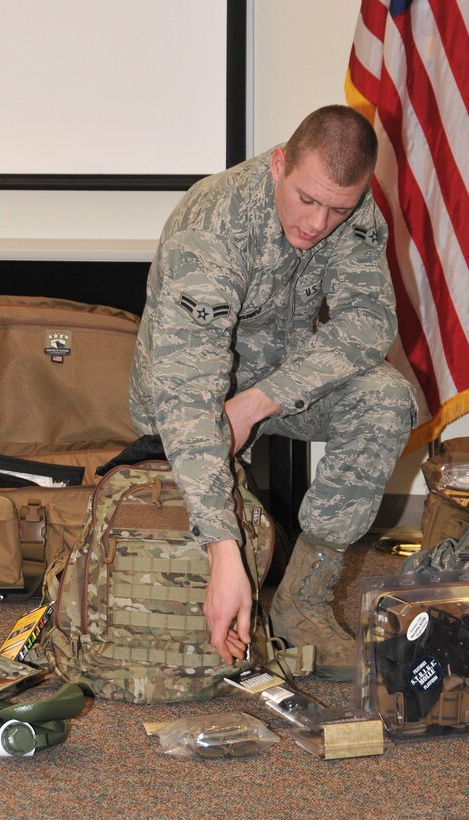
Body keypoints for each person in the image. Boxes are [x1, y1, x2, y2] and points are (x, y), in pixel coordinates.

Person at [129, 105, 417, 681]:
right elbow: (188, 398)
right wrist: (223, 550)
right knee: (188, 604)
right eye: (306, 199)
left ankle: (302, 602)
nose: (317, 223)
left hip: (277, 384)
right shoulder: (211, 227)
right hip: (187, 394)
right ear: (280, 163)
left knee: (385, 399)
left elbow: (367, 321)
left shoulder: (353, 211)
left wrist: (263, 399)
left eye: (337, 208)